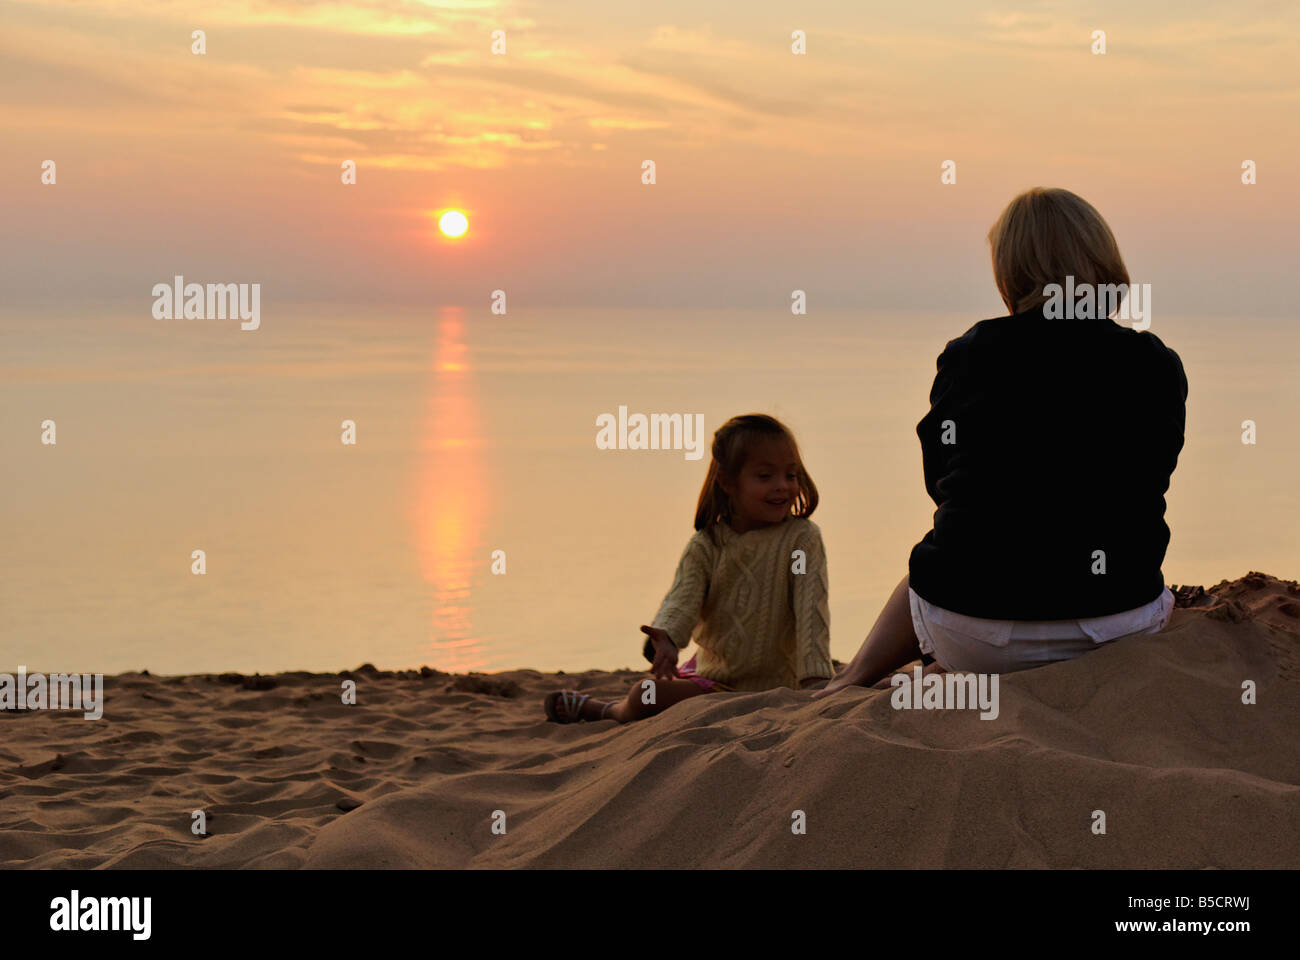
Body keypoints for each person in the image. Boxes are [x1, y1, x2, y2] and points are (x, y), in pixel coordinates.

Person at [816, 187, 1187, 697]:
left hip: (973, 630)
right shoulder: (1155, 363)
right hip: (1113, 627)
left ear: (1011, 272)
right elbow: (1152, 476)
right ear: (1103, 261)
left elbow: (943, 483)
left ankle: (852, 680)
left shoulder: (971, 355)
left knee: (943, 554)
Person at [546, 414, 834, 723]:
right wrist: (668, 638)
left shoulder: (802, 539)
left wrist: (814, 682)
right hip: (716, 684)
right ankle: (607, 710)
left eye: (791, 475)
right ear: (728, 482)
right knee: (646, 694)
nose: (782, 487)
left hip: (783, 688)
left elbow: (811, 610)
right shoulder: (708, 544)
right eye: (765, 476)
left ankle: (605, 706)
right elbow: (683, 597)